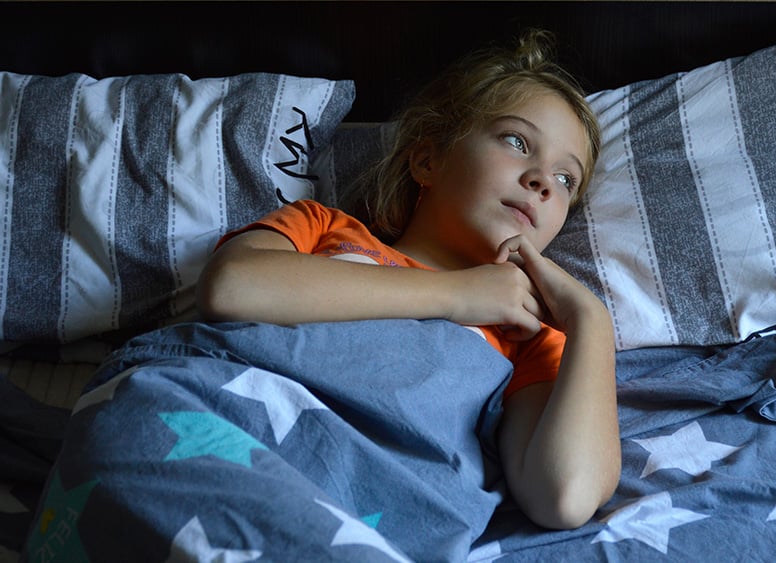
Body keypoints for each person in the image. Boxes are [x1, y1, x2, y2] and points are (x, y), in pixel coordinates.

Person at [196, 29, 621, 530]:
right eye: (516, 141)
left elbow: (563, 497)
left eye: (566, 179)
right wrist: (459, 295)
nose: (542, 181)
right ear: (428, 160)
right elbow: (231, 288)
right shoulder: (323, 227)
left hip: (356, 509)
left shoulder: (528, 336)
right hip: (211, 432)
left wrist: (592, 322)